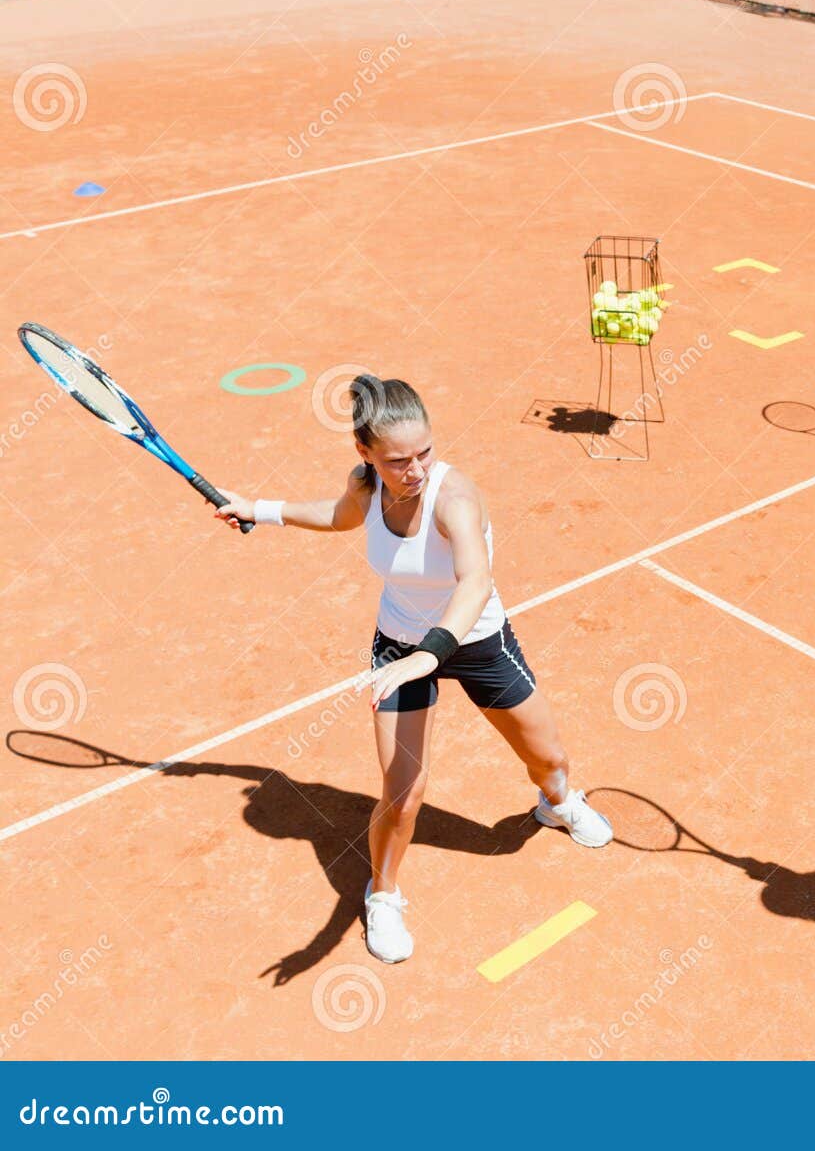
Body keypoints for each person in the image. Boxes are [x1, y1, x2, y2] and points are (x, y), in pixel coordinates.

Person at [215, 375, 612, 964]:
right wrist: (258, 510)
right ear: (366, 454)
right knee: (403, 794)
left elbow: (475, 579)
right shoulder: (366, 484)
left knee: (549, 759)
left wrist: (437, 648)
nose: (416, 469)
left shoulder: (456, 497)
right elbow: (338, 516)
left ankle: (556, 803)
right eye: (398, 459)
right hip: (401, 649)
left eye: (425, 452)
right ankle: (383, 895)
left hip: (473, 641)